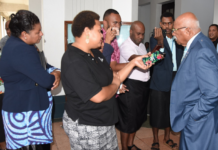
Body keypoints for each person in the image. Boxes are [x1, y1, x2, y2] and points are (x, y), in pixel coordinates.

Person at [61, 11, 152, 150]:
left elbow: (115, 76)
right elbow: (98, 96)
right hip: (88, 125)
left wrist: (133, 63)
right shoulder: (73, 60)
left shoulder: (96, 53)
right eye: (99, 30)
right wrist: (115, 85)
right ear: (87, 31)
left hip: (105, 121)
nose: (102, 33)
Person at [0, 10, 60, 150]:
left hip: (25, 109)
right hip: (26, 116)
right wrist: (56, 75)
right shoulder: (21, 50)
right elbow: (46, 81)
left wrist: (56, 71)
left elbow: (39, 67)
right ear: (24, 34)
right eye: (37, 32)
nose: (41, 34)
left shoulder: (17, 45)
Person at [171, 12, 218, 150]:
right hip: (197, 120)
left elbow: (213, 91)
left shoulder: (201, 50)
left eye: (175, 30)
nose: (173, 33)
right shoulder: (200, 42)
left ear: (188, 30)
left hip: (200, 123)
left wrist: (194, 116)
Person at [149, 12, 183, 150]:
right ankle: (156, 139)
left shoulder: (178, 38)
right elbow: (154, 60)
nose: (167, 26)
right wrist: (160, 42)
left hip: (175, 78)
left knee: (171, 110)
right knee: (157, 111)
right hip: (159, 80)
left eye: (169, 23)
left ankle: (167, 137)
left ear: (173, 23)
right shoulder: (154, 39)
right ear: (160, 24)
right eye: (164, 23)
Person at [117, 21, 150, 150]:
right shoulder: (126, 46)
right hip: (130, 86)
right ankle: (125, 148)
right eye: (138, 34)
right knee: (128, 120)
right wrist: (149, 57)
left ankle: (130, 145)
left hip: (142, 87)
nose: (141, 37)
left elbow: (145, 61)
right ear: (131, 32)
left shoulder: (142, 45)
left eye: (143, 34)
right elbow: (135, 59)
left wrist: (154, 56)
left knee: (136, 118)